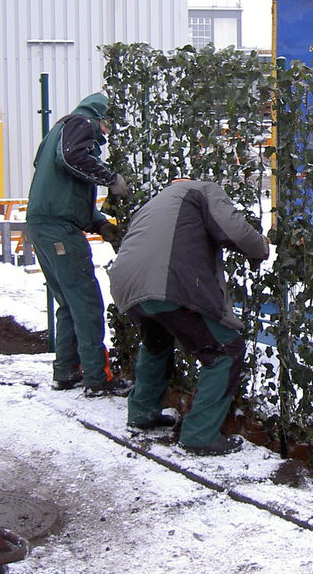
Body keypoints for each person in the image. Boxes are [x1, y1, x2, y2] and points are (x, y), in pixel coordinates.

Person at [108, 177, 270, 456]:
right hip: (166, 282)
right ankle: (199, 435)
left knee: (156, 343)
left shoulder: (156, 202)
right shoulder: (203, 189)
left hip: (126, 283)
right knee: (226, 350)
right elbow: (233, 229)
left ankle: (142, 413)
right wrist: (261, 248)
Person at [26, 92, 132, 396]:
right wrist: (110, 178)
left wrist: (100, 225)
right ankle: (97, 378)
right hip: (58, 229)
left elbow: (66, 193)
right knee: (86, 302)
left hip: (43, 225)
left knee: (69, 302)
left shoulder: (58, 133)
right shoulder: (81, 122)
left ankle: (66, 371)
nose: (107, 133)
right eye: (108, 124)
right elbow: (72, 158)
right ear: (101, 116)